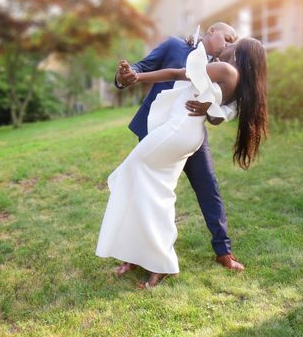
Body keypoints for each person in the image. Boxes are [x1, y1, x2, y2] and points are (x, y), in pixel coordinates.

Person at [96, 36, 268, 287]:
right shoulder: (239, 79)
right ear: (210, 32)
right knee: (148, 189)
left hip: (177, 130)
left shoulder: (224, 69)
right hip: (181, 132)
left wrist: (139, 79)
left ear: (239, 53)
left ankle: (163, 261)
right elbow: (217, 110)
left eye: (233, 42)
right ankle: (137, 255)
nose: (227, 43)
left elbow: (179, 74)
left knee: (141, 182)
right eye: (226, 36)